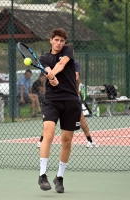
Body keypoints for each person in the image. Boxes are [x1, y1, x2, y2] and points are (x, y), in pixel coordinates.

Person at [37, 28, 81, 193]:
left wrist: (53, 76)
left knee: (67, 141)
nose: (59, 43)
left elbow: (61, 65)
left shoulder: (68, 50)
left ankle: (59, 177)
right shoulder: (43, 58)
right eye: (56, 40)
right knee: (48, 133)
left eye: (61, 41)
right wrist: (51, 77)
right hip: (52, 101)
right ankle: (42, 175)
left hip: (70, 101)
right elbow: (48, 69)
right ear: (51, 40)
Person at [36, 44, 98, 148]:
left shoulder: (73, 63)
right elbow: (76, 77)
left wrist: (76, 89)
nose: (70, 54)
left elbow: (76, 77)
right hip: (58, 96)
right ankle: (42, 140)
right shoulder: (55, 61)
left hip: (70, 95)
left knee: (79, 117)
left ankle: (89, 140)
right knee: (50, 121)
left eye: (71, 52)